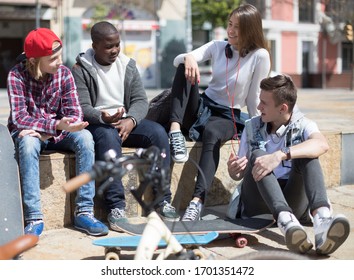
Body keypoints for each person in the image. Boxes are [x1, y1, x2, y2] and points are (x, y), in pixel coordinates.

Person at [71, 21, 179, 230]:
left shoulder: (127, 64)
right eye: (108, 46)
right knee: (108, 138)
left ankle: (162, 199)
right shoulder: (80, 69)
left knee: (157, 133)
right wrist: (102, 118)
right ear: (95, 46)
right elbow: (82, 106)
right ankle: (116, 207)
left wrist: (131, 120)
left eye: (117, 44)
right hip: (98, 124)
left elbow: (140, 100)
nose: (114, 50)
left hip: (125, 120)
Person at [168, 4, 271, 221]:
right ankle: (175, 130)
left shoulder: (259, 56)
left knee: (213, 133)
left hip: (228, 115)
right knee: (183, 67)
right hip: (203, 106)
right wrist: (189, 57)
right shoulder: (217, 46)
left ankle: (197, 202)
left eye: (238, 27)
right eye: (229, 24)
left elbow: (253, 98)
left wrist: (257, 133)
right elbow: (178, 60)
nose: (231, 30)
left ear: (250, 29)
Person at [227, 74, 350, 255]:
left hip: (293, 203)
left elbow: (322, 144)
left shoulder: (305, 124)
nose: (258, 107)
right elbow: (240, 173)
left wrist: (280, 155)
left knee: (308, 154)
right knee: (258, 155)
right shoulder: (251, 126)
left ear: (282, 108)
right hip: (258, 203)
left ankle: (322, 221)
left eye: (264, 103)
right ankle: (285, 222)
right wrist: (234, 171)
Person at [7, 28, 108, 236]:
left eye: (60, 56)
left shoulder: (64, 74)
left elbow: (74, 114)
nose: (59, 62)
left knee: (86, 138)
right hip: (29, 134)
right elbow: (19, 118)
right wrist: (53, 126)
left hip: (54, 132)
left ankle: (84, 212)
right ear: (34, 60)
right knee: (28, 144)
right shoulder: (16, 75)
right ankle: (34, 217)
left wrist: (51, 131)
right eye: (53, 59)